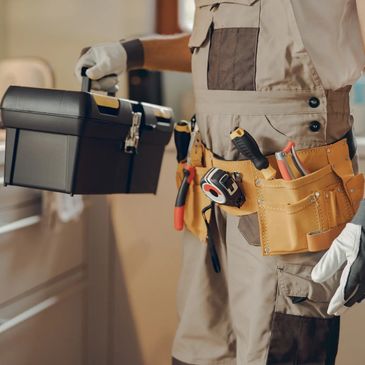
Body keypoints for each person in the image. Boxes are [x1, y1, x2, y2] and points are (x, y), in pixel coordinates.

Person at [75, 1, 365, 364]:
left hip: (289, 214)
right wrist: (130, 53)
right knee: (197, 354)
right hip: (210, 211)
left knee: (280, 351)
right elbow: (222, 50)